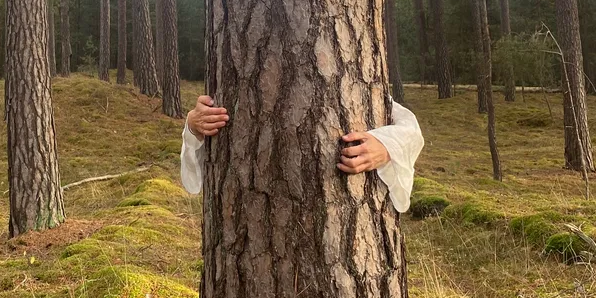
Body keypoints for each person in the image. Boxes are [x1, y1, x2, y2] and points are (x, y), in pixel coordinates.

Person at [180, 95, 425, 212]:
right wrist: (194, 125)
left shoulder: (366, 86)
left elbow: (410, 129)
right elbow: (195, 165)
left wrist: (386, 146)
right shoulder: (233, 74)